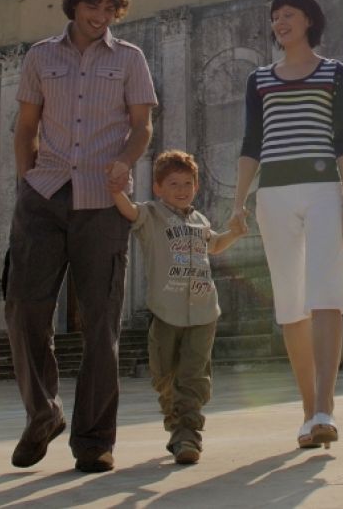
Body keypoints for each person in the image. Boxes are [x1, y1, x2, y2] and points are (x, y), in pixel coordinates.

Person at [6, 0, 157, 474]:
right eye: (93, 5)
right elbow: (25, 126)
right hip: (44, 194)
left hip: (103, 200)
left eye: (111, 7)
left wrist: (126, 160)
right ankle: (43, 411)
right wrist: (26, 181)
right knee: (25, 308)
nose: (101, 15)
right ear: (75, 4)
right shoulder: (40, 56)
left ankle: (93, 440)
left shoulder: (131, 58)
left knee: (101, 323)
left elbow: (143, 126)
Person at [230, 0, 343, 450]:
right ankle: (308, 414)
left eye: (289, 15)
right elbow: (251, 142)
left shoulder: (334, 73)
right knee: (290, 301)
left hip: (324, 191)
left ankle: (325, 407)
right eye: (275, 17)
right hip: (274, 196)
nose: (280, 22)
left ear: (309, 21)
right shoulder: (259, 79)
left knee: (326, 293)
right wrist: (238, 203)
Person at [107, 150, 247, 465]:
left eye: (187, 183)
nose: (182, 190)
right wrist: (116, 190)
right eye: (173, 184)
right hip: (165, 311)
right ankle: (176, 420)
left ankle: (188, 436)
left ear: (196, 187)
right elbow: (129, 211)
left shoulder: (200, 220)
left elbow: (215, 244)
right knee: (163, 376)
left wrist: (234, 233)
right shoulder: (151, 215)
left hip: (203, 312)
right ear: (158, 187)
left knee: (194, 376)